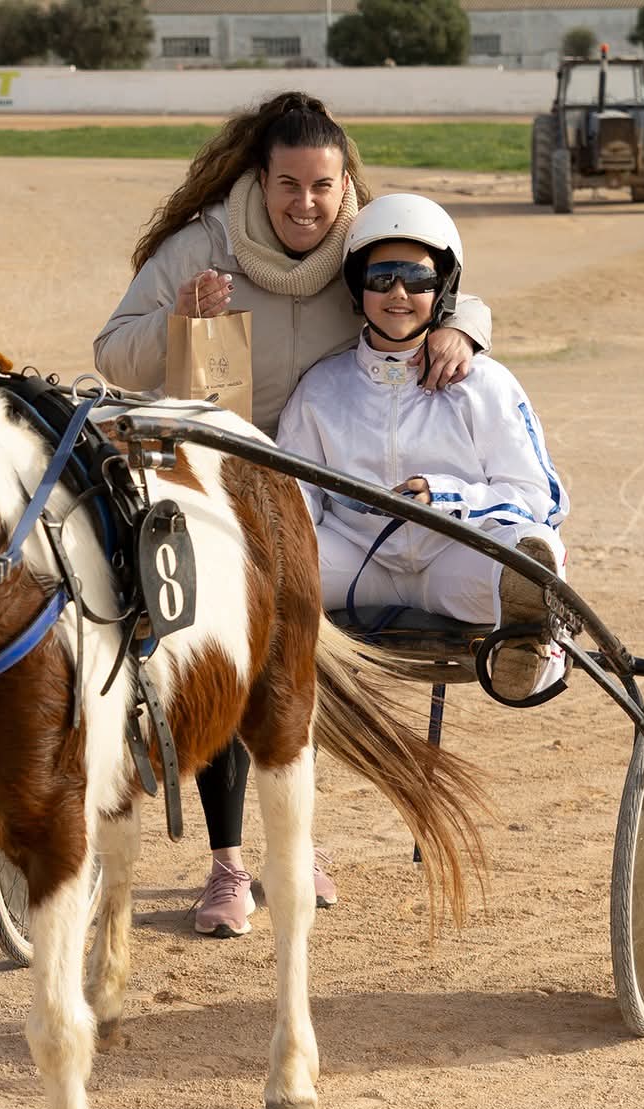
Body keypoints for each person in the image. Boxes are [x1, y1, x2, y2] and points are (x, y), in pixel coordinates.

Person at [95, 92, 495, 939]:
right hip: (212, 472)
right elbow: (112, 352)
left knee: (295, 666)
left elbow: (436, 288)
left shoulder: (363, 242)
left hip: (313, 479)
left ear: (344, 181)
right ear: (260, 179)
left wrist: (467, 329)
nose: (306, 204)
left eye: (323, 184)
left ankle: (295, 842)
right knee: (222, 659)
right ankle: (229, 864)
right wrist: (180, 322)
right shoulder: (203, 245)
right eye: (288, 185)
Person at [281, 193, 569, 707]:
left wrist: (447, 496)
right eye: (380, 277)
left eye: (417, 279)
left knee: (531, 557)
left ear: (443, 289)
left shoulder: (486, 384)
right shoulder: (320, 389)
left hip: (455, 561)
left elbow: (540, 499)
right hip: (357, 565)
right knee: (271, 559)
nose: (398, 293)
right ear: (357, 287)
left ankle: (530, 654)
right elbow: (298, 499)